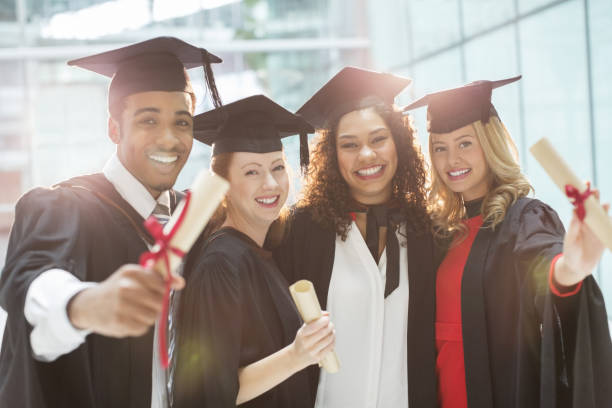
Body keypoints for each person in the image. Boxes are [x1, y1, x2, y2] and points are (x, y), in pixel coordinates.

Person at [0, 36, 223, 407]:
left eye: (181, 122)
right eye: (148, 120)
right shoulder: (67, 206)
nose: (169, 139)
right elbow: (33, 279)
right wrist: (86, 304)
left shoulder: (196, 219)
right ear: (114, 129)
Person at [403, 75, 612, 408]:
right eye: (440, 148)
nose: (452, 159)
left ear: (490, 143)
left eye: (465, 143)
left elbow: (545, 263)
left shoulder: (523, 218)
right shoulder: (437, 231)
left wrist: (570, 268)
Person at [269, 67, 437, 407]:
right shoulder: (303, 231)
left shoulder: (426, 231)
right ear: (332, 155)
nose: (366, 155)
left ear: (398, 143)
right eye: (349, 144)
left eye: (378, 139)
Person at [172, 95, 335, 408]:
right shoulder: (221, 265)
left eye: (277, 167)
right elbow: (211, 392)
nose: (271, 183)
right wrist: (298, 355)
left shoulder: (257, 252)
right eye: (251, 172)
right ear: (223, 184)